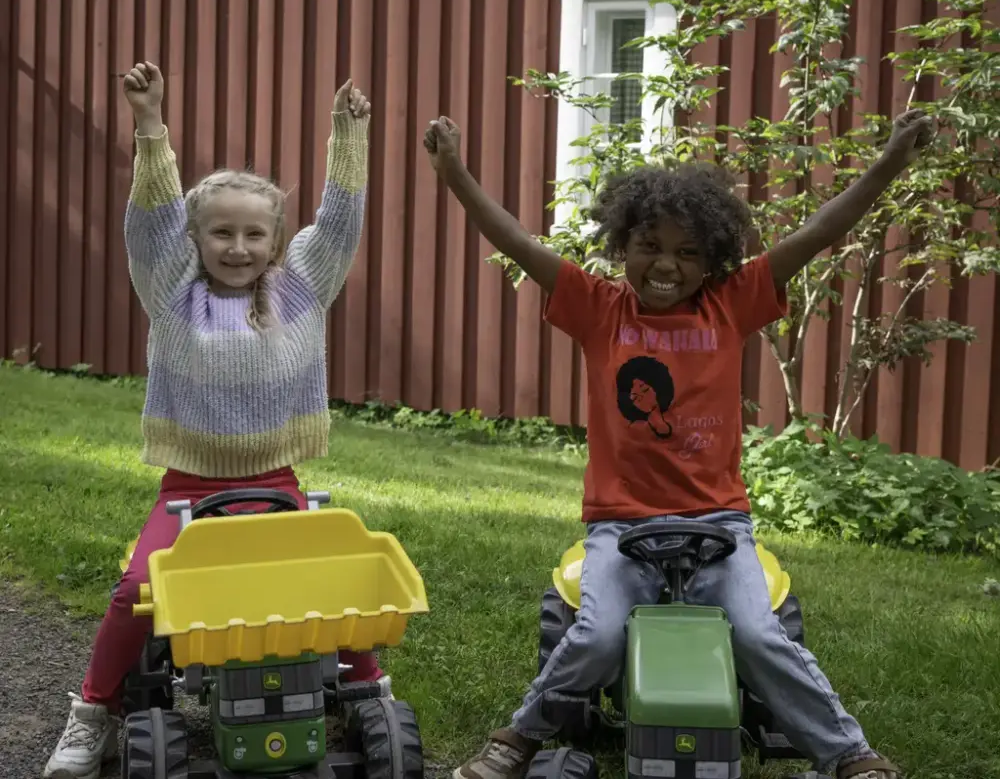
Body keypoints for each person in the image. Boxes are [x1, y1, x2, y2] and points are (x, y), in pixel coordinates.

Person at [424, 109, 935, 779]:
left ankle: (850, 754)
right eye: (650, 245)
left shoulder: (732, 303)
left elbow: (819, 231)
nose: (666, 264)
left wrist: (891, 161)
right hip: (619, 524)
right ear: (622, 243)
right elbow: (517, 241)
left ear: (713, 258)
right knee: (598, 632)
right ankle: (517, 738)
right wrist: (455, 174)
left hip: (720, 521)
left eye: (688, 252)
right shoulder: (599, 308)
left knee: (758, 631)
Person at [45, 61, 387, 779]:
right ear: (196, 241)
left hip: (278, 482)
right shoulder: (170, 286)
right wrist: (149, 124)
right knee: (138, 588)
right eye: (221, 233)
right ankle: (92, 712)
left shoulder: (303, 283)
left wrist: (348, 137)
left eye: (254, 233)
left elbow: (343, 223)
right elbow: (151, 219)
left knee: (330, 582)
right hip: (187, 487)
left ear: (276, 237)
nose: (238, 247)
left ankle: (368, 691)